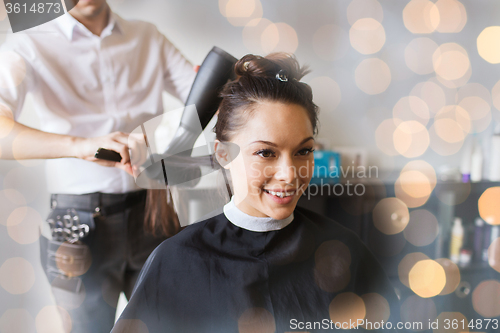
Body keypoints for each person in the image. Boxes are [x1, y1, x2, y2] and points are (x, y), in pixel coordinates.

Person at [111, 53, 402, 333]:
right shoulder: (176, 263)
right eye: (266, 152)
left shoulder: (344, 253)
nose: (290, 173)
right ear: (223, 154)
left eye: (304, 151)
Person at [0, 0, 196, 332]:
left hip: (154, 210)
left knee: (172, 326)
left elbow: (208, 102)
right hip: (75, 221)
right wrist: (79, 146)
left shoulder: (146, 36)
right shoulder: (27, 42)